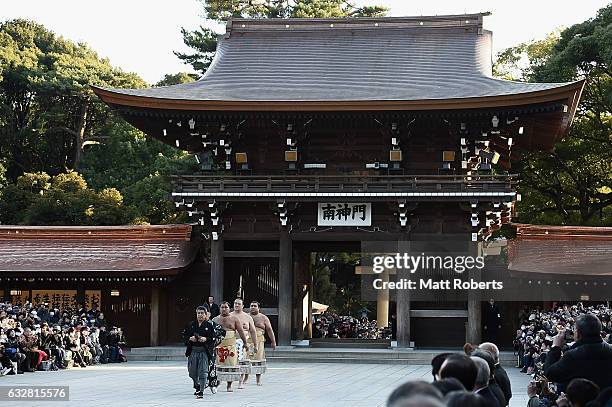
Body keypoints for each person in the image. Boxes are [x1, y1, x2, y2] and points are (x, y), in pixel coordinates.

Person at [544, 313, 612, 389]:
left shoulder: (573, 355)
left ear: (578, 333)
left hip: (582, 399)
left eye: (574, 330)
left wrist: (555, 347)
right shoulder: (609, 349)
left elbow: (550, 374)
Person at [182, 305, 225, 399]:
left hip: (204, 351)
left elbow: (213, 339)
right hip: (193, 351)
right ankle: (197, 385)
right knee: (192, 372)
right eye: (198, 313)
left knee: (203, 371)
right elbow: (184, 336)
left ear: (206, 315)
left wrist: (206, 339)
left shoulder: (209, 326)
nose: (200, 315)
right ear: (196, 314)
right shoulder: (191, 325)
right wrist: (190, 338)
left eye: (202, 313)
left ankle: (201, 391)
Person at [212, 302, 248, 392]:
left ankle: (229, 385)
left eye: (226, 307)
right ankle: (217, 382)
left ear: (229, 308)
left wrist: (245, 343)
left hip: (231, 345)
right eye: (222, 307)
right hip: (218, 346)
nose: (224, 309)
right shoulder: (215, 319)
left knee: (231, 365)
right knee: (218, 365)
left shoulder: (234, 319)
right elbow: (211, 333)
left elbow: (241, 332)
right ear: (220, 308)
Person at [245, 301, 276, 386]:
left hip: (259, 340)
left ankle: (258, 380)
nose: (253, 307)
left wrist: (273, 341)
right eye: (251, 306)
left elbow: (269, 330)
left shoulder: (263, 318)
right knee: (246, 359)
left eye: (255, 306)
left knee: (258, 359)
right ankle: (245, 377)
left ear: (259, 308)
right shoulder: (245, 316)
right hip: (247, 340)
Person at [230, 298, 258, 389]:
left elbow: (253, 331)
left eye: (238, 304)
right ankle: (230, 381)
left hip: (244, 342)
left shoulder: (247, 317)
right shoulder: (229, 316)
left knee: (242, 362)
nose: (236, 305)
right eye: (235, 303)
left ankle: (240, 382)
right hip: (232, 342)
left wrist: (255, 344)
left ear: (242, 306)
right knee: (232, 362)